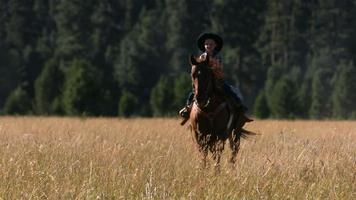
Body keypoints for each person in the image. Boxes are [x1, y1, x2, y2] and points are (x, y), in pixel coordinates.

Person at [179, 32, 248, 123]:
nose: (208, 46)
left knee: (228, 90)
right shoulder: (201, 56)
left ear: (215, 45)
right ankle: (188, 108)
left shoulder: (218, 56)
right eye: (206, 44)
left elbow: (218, 67)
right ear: (204, 46)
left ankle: (239, 106)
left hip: (217, 80)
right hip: (205, 81)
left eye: (211, 44)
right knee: (193, 93)